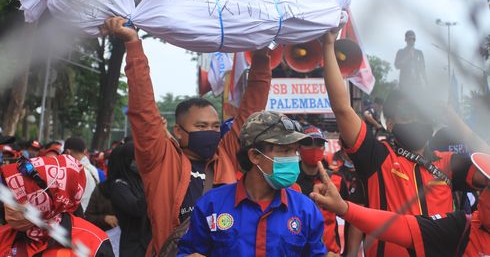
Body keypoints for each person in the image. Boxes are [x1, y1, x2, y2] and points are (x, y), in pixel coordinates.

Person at [101, 16, 272, 256]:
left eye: (215, 126)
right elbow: (144, 111)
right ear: (178, 132)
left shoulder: (227, 155)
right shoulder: (160, 161)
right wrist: (133, 45)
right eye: (201, 126)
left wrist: (262, 57)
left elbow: (252, 112)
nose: (211, 132)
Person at [321, 30, 487, 256]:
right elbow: (342, 109)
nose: (416, 121)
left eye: (422, 116)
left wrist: (450, 116)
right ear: (389, 124)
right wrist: (328, 45)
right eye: (407, 116)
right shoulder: (377, 156)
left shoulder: (447, 163)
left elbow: (487, 164)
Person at [177, 111, 326, 256]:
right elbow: (187, 252)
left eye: (295, 151)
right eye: (285, 150)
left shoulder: (305, 209)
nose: (293, 158)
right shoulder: (211, 205)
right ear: (255, 156)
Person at [310, 152, 490, 257]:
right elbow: (401, 226)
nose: (485, 195)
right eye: (487, 187)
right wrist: (344, 209)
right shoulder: (461, 226)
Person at [0, 154, 114, 256]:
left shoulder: (93, 243)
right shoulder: (3, 236)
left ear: (44, 201)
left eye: (17, 198)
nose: (8, 205)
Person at [296, 125, 346, 255]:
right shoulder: (288, 181)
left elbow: (352, 217)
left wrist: (350, 252)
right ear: (298, 148)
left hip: (331, 252)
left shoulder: (337, 179)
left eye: (319, 143)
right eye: (308, 143)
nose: (314, 148)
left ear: (324, 148)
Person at [110, 142, 151, 257]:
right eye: (138, 158)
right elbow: (136, 208)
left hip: (147, 243)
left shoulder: (140, 181)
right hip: (133, 247)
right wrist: (153, 186)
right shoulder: (119, 186)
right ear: (128, 160)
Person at [64, 137, 100, 213]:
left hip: (77, 216)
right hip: (91, 215)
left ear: (67, 152)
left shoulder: (74, 171)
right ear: (85, 151)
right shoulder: (93, 169)